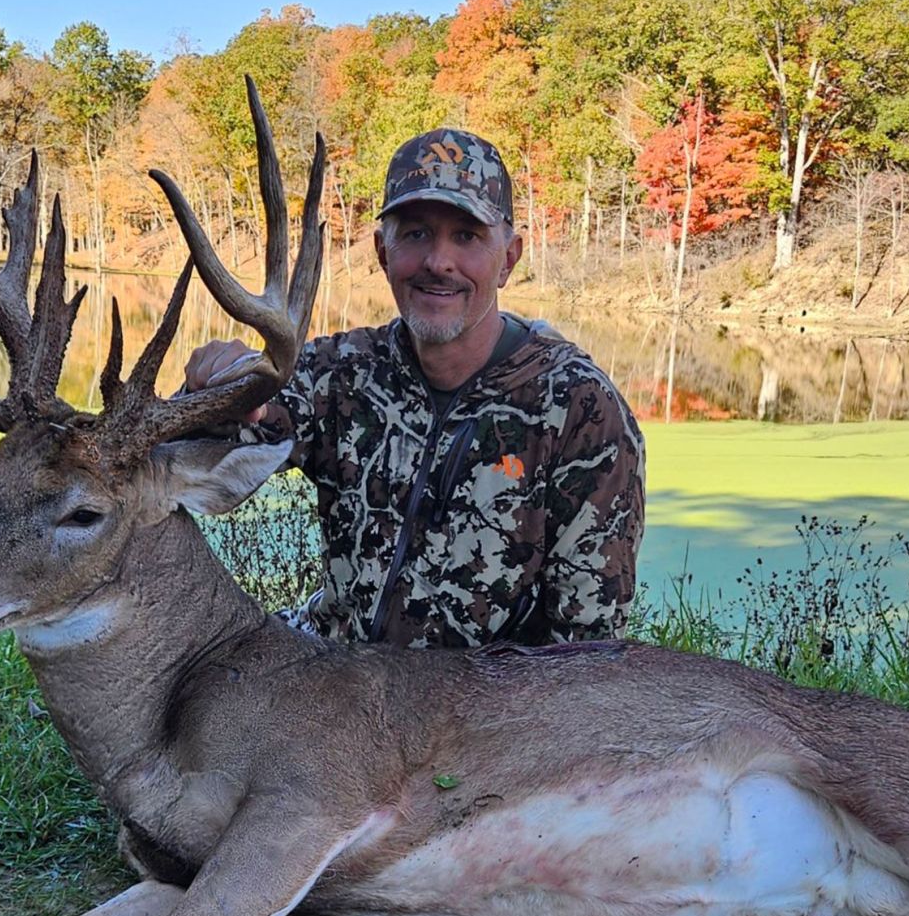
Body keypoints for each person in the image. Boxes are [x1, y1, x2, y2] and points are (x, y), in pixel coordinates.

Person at [185, 128, 645, 648]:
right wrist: (215, 391)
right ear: (383, 252)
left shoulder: (579, 410)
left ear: (509, 258)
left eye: (466, 237)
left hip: (484, 692)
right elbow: (212, 450)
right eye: (417, 234)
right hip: (330, 664)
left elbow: (587, 646)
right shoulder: (341, 373)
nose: (438, 262)